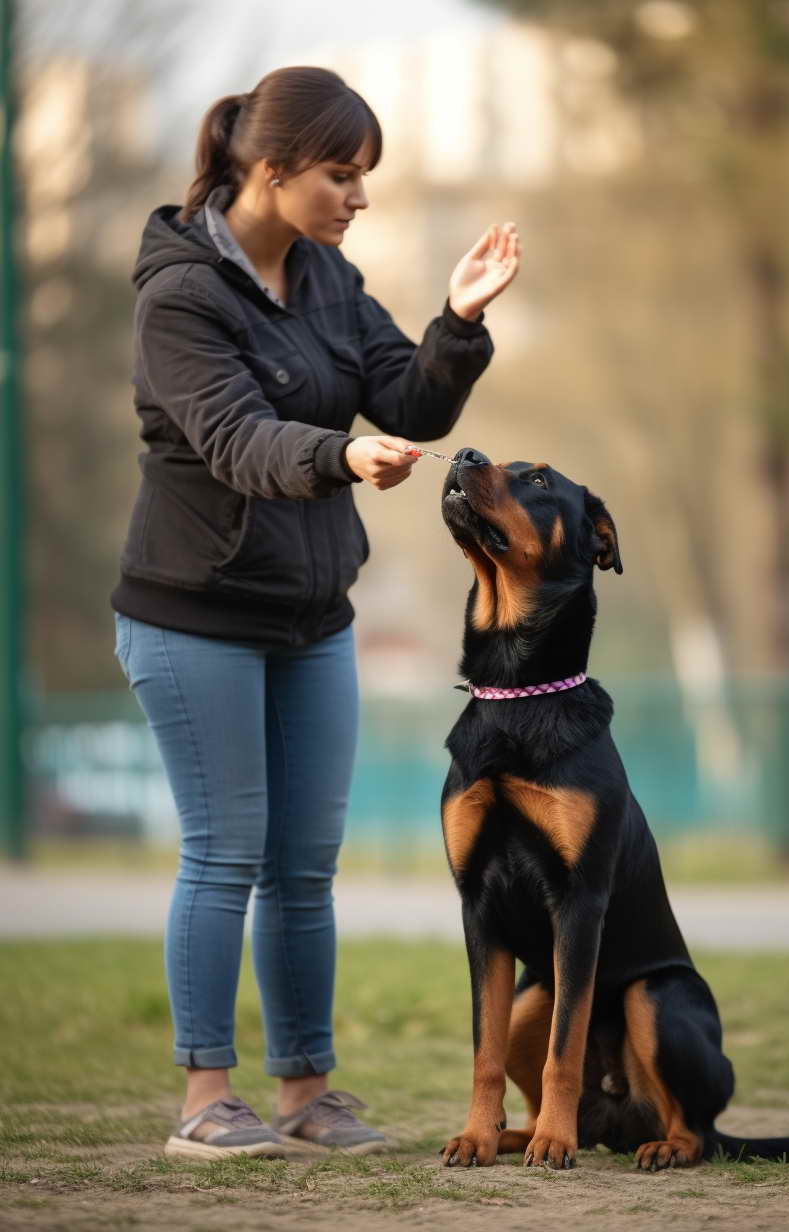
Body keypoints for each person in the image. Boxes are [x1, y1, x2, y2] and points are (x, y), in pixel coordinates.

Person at [110, 65, 520, 1161]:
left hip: (310, 615)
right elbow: (240, 440)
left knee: (305, 861)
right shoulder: (180, 295)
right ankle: (206, 1097)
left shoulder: (328, 276)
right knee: (224, 851)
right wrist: (338, 452)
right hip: (192, 613)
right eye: (342, 174)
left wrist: (458, 320)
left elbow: (409, 397)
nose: (359, 197)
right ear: (270, 168)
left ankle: (307, 1093)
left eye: (364, 177)